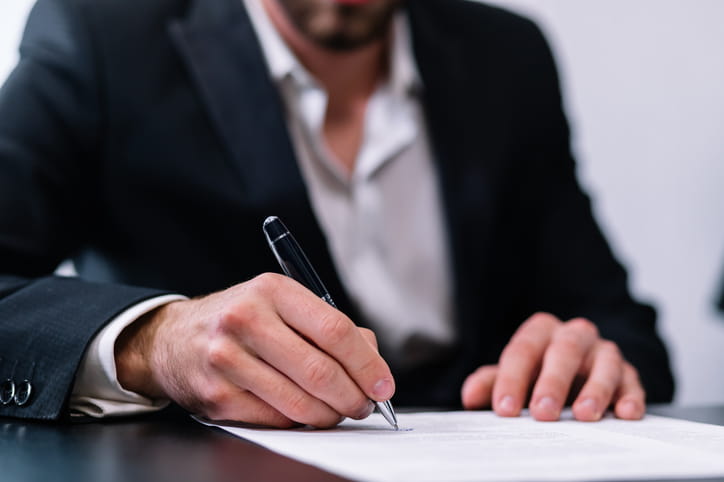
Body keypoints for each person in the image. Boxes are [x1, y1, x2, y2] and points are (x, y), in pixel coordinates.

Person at [0, 0, 674, 427]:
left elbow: (622, 327)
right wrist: (156, 342)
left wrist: (592, 363)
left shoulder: (508, 56)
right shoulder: (99, 37)